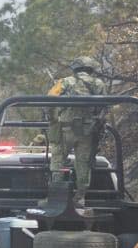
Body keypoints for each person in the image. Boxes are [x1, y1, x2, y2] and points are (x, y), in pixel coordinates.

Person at [46, 56, 110, 205]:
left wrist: (52, 119)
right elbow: (104, 107)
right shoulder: (99, 84)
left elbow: (49, 100)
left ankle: (56, 198)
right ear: (90, 69)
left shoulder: (64, 82)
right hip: (87, 132)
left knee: (58, 162)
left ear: (75, 68)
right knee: (83, 164)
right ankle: (80, 198)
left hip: (65, 129)